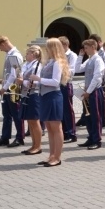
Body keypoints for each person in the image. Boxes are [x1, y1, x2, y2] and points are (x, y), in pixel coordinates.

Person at [31, 38, 69, 166]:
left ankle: (57, 157)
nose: (46, 49)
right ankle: (51, 155)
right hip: (45, 96)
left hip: (53, 96)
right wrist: (33, 81)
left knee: (56, 127)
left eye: (48, 47)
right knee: (49, 127)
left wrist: (39, 79)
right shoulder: (49, 62)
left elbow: (55, 82)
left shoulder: (58, 62)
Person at [0, 36, 25, 147]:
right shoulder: (9, 54)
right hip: (8, 86)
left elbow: (14, 74)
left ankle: (20, 137)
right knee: (6, 114)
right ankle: (5, 137)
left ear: (4, 44)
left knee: (16, 114)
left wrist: (5, 87)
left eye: (0, 47)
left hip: (13, 88)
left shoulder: (14, 55)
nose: (0, 49)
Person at [77, 39, 105, 150]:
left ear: (93, 47)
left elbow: (97, 77)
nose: (85, 50)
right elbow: (78, 69)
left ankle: (97, 140)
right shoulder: (89, 59)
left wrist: (89, 91)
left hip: (94, 91)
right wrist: (80, 56)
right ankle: (90, 137)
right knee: (88, 116)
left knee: (96, 116)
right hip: (88, 91)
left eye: (87, 47)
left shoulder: (98, 60)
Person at [19, 46, 43, 155]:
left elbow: (36, 82)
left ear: (33, 54)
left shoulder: (37, 66)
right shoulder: (27, 65)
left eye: (27, 53)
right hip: (25, 94)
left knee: (34, 120)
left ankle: (38, 146)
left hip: (33, 94)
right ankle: (33, 145)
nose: (26, 55)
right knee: (30, 121)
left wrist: (22, 82)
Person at [59, 36, 79, 143]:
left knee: (68, 110)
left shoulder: (72, 55)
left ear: (65, 45)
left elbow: (72, 71)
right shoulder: (58, 56)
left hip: (66, 84)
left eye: (60, 46)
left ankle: (71, 133)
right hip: (58, 84)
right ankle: (64, 133)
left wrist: (59, 70)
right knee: (61, 111)